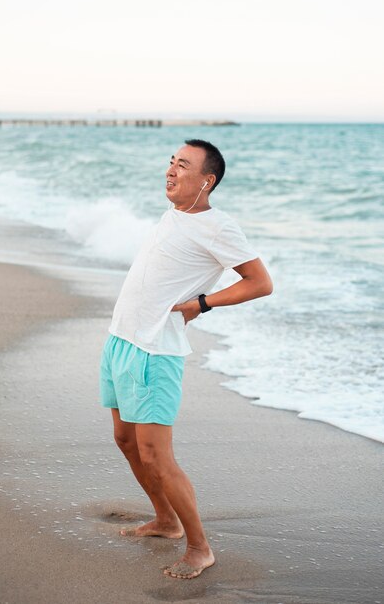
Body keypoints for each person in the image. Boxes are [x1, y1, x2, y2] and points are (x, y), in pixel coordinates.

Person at [100, 139, 273, 579]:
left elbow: (259, 282)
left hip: (156, 351)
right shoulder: (173, 214)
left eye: (183, 165)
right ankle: (165, 521)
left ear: (207, 180)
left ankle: (200, 548)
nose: (171, 170)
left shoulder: (219, 226)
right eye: (171, 162)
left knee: (157, 455)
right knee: (125, 441)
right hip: (122, 340)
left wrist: (203, 303)